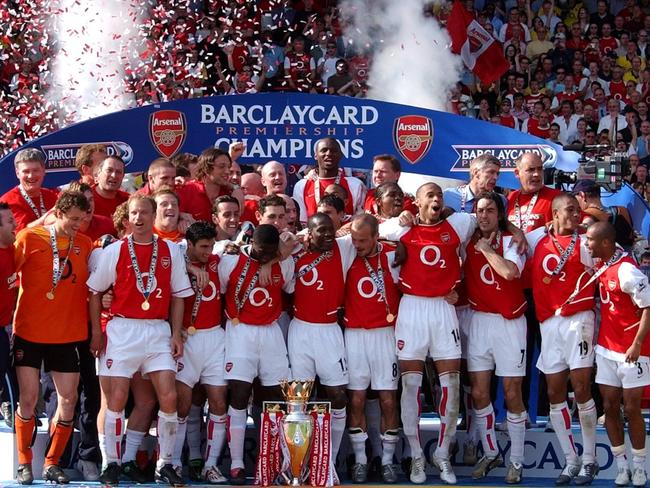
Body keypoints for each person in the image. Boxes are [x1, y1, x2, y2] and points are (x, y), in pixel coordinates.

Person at [87, 194, 193, 486]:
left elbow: (179, 296)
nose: (138, 218)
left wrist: (175, 333)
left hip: (157, 330)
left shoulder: (171, 250)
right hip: (122, 330)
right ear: (127, 217)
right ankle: (111, 463)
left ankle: (165, 464)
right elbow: (95, 293)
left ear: (154, 214)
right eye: (133, 213)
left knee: (168, 396)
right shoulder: (116, 250)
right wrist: (97, 332)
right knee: (116, 399)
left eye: (144, 212)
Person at [378, 182, 479, 485]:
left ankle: (443, 453)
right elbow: (366, 229)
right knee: (411, 388)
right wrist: (401, 218)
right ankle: (416, 456)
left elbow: (487, 217)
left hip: (443, 310)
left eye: (439, 196)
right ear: (417, 202)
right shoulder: (402, 228)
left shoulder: (457, 224)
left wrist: (513, 231)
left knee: (451, 386)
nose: (435, 200)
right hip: (412, 310)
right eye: (429, 196)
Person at [13, 191, 93, 484]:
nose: (78, 225)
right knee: (29, 397)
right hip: (29, 332)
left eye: (82, 220)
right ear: (57, 213)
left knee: (69, 400)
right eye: (72, 219)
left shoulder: (85, 244)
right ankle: (24, 463)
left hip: (68, 334)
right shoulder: (29, 238)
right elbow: (7, 273)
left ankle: (51, 462)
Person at [526, 194, 599, 486]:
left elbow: (610, 254)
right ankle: (571, 460)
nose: (575, 215)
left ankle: (590, 459)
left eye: (577, 210)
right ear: (554, 214)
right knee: (555, 392)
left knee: (581, 386)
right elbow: (512, 234)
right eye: (569, 210)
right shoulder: (535, 241)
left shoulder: (584, 243)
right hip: (548, 322)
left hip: (579, 319)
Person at [218, 224, 294, 484]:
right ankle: (237, 464)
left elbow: (295, 239)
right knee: (239, 393)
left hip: (271, 332)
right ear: (253, 243)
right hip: (240, 332)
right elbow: (218, 291)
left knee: (275, 396)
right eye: (262, 250)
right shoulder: (230, 259)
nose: (265, 255)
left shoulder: (282, 263)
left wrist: (273, 259)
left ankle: (272, 460)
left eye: (271, 251)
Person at [463, 192, 528, 484]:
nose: (484, 215)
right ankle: (491, 452)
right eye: (480, 210)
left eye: (490, 210)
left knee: (512, 392)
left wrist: (486, 250)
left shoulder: (513, 242)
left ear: (500, 215)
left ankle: (516, 460)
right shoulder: (468, 236)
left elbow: (509, 272)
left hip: (509, 322)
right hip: (479, 320)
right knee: (478, 392)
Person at [290, 213, 357, 477]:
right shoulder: (295, 253)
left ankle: (326, 461)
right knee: (298, 400)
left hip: (329, 332)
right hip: (300, 331)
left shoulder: (343, 247)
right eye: (322, 231)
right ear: (309, 232)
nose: (328, 235)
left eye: (332, 230)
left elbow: (372, 225)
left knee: (338, 395)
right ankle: (299, 463)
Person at [585, 222, 650, 487]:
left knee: (632, 408)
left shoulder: (627, 270)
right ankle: (621, 466)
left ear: (605, 242)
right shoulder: (603, 263)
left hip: (632, 350)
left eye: (590, 239)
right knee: (610, 407)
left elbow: (648, 307)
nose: (586, 243)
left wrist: (636, 343)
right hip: (606, 348)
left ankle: (640, 467)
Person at [344, 214, 400, 484]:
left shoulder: (391, 254)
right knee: (356, 399)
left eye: (363, 240)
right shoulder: (346, 251)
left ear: (377, 236)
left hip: (384, 334)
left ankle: (388, 461)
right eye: (354, 239)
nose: (357, 245)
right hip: (354, 334)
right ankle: (361, 461)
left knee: (388, 400)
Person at [173, 222, 228, 484]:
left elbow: (257, 253)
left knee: (218, 402)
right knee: (181, 406)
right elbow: (165, 254)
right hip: (187, 341)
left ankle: (210, 465)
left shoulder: (220, 260)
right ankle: (172, 463)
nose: (208, 251)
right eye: (203, 247)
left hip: (215, 338)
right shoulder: (175, 259)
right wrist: (190, 267)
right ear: (190, 245)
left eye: (211, 246)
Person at [292, 138, 366, 222]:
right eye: (324, 150)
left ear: (340, 155)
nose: (328, 154)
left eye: (333, 151)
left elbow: (361, 220)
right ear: (316, 155)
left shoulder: (355, 185)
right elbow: (302, 222)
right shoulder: (301, 186)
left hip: (347, 234)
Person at [176, 148, 244, 222]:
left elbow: (237, 218)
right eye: (221, 166)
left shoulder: (230, 193)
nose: (227, 171)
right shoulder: (186, 190)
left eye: (228, 167)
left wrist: (237, 189)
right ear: (206, 169)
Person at [0, 148, 58, 232]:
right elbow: (22, 233)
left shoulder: (51, 196)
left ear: (43, 171)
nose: (31, 176)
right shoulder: (7, 201)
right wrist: (49, 215)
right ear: (17, 173)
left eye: (35, 170)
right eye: (26, 171)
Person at [572, 179, 635, 248]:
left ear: (582, 195)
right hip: (627, 256)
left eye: (575, 198)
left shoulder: (587, 215)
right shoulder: (623, 210)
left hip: (605, 257)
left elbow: (587, 224)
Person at [0, 203, 17, 429]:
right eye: (10, 221)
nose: (16, 224)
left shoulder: (16, 249)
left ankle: (7, 404)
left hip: (8, 326)